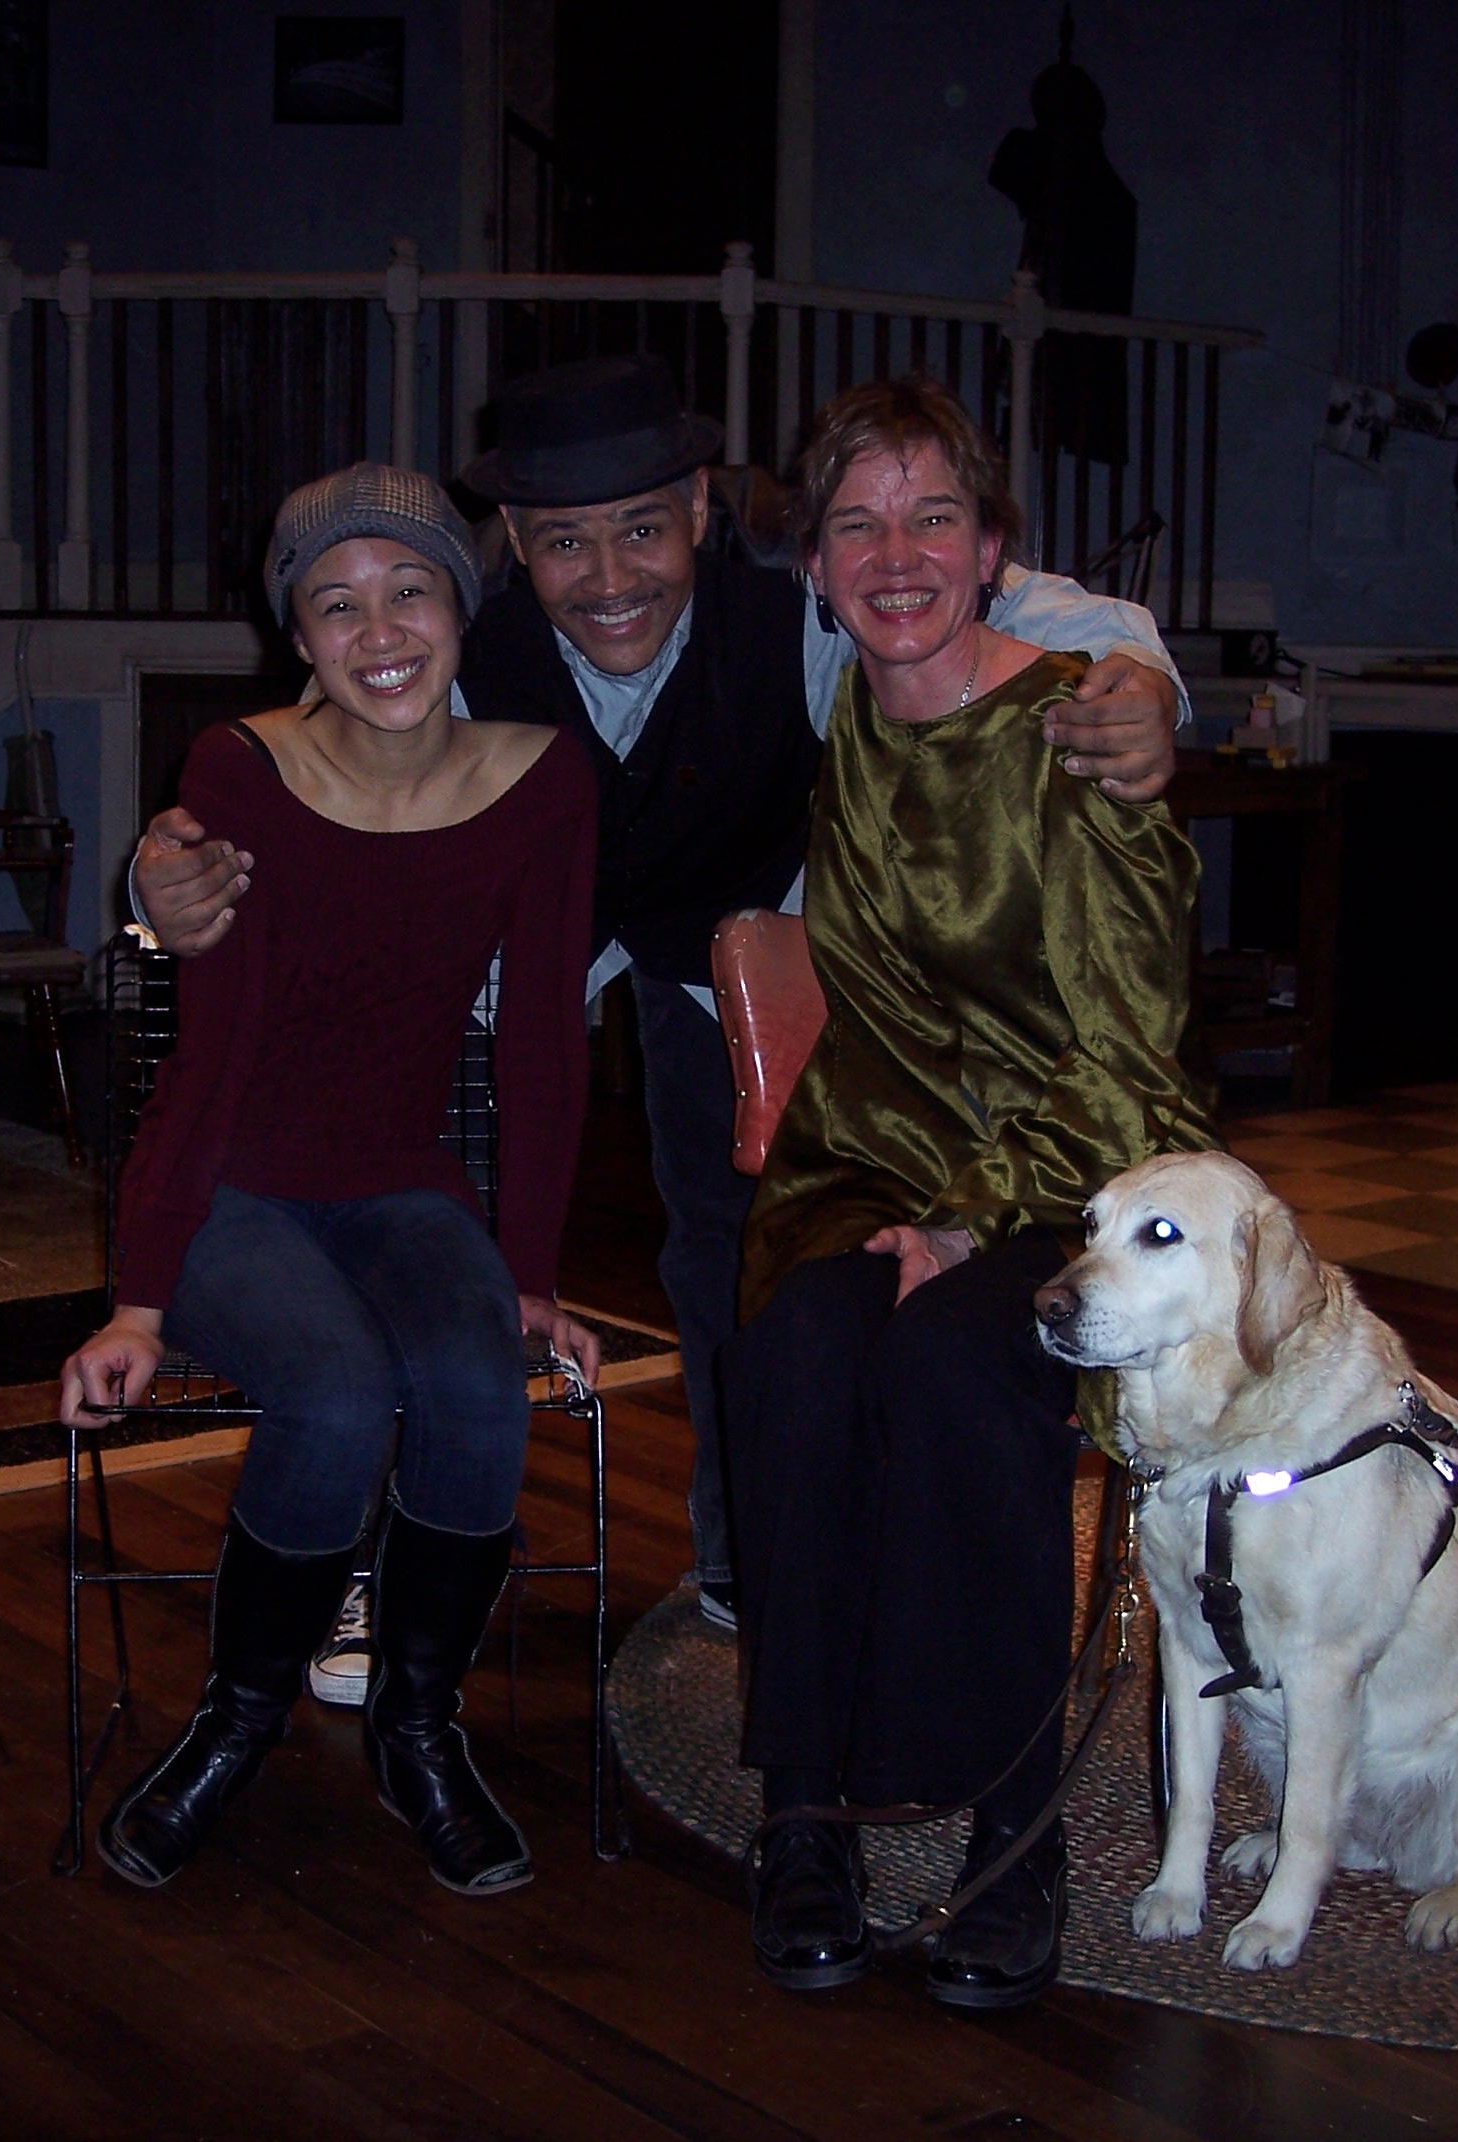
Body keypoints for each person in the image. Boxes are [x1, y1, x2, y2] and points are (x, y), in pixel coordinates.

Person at [129, 357, 1187, 1664]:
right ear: (514, 544)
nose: (610, 576)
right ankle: (374, 1554)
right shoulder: (458, 646)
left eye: (641, 527)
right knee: (420, 1243)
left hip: (732, 939)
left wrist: (1140, 675)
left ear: (699, 507)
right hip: (513, 958)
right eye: (565, 541)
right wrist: (157, 882)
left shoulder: (794, 595)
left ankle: (751, 1551)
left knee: (745, 1243)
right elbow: (304, 764)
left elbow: (1007, 600)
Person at [723, 377, 1214, 2009]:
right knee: (795, 1352)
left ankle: (1017, 1825)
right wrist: (903, 1206)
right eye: (857, 521)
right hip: (870, 1153)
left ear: (996, 550)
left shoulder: (1079, 719)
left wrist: (971, 1217)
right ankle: (810, 1806)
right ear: (817, 569)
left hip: (1078, 1173)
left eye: (936, 514)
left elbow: (1132, 1048)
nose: (896, 551)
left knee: (953, 1363)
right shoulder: (853, 712)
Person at [60, 464, 601, 1899]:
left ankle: (418, 1729)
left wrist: (531, 1274)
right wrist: (139, 1298)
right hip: (236, 1185)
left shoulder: (541, 779)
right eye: (335, 601)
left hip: (399, 1180)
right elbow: (209, 1051)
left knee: (482, 1376)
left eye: (409, 587)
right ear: (296, 637)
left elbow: (546, 1041)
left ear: (459, 605)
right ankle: (234, 1721)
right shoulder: (242, 771)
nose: (380, 630)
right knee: (343, 1389)